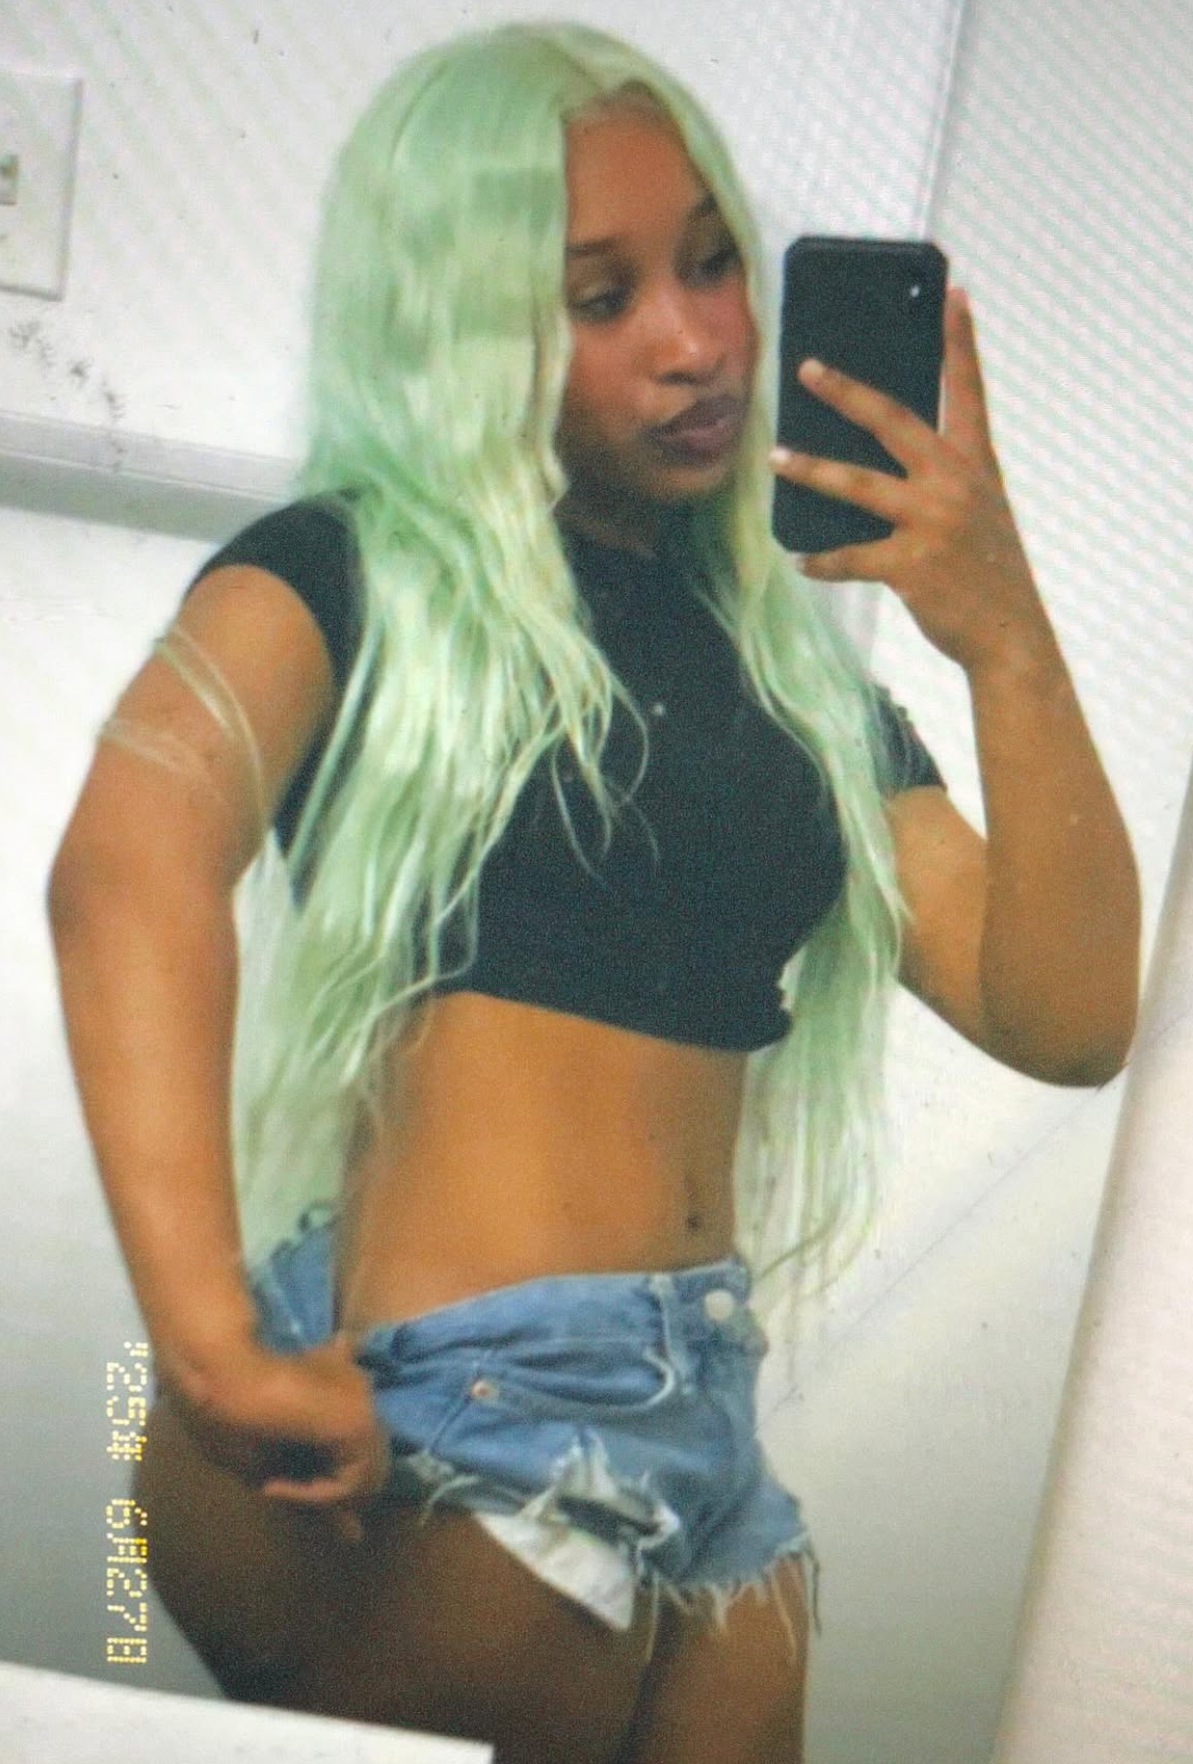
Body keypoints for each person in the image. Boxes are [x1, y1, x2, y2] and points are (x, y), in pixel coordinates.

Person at [47, 21, 1140, 1764]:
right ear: (466, 327)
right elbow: (127, 871)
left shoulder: (797, 691)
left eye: (711, 263)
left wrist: (1001, 630)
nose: (695, 340)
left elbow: (1067, 1020)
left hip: (702, 1430)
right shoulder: (349, 576)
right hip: (459, 1402)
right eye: (599, 296)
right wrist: (199, 1349)